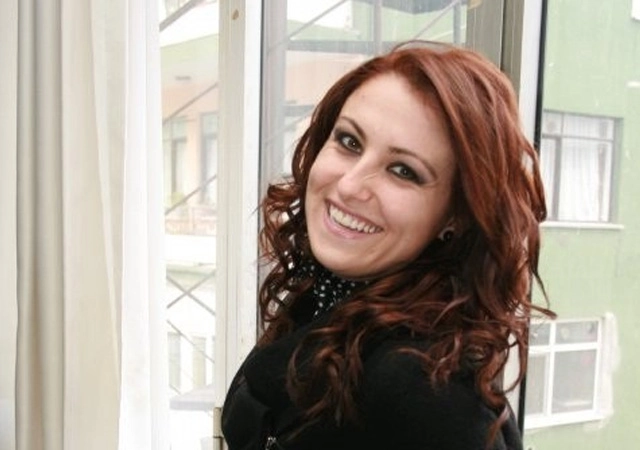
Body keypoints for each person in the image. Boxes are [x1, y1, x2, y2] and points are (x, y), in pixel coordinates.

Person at [221, 42, 554, 450]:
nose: (349, 186)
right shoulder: (330, 299)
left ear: (456, 215)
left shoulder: (428, 394)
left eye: (403, 171)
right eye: (349, 142)